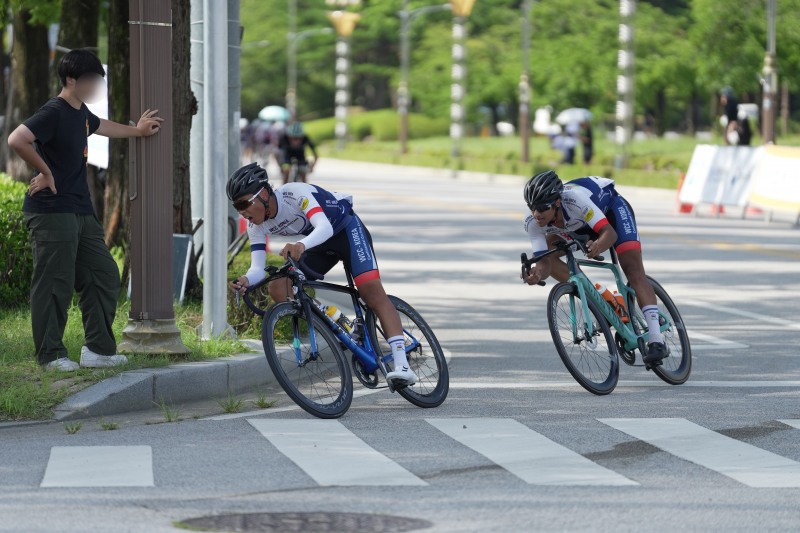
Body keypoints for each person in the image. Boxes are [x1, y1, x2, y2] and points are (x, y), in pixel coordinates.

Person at [7, 49, 163, 371]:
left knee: (103, 273)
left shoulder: (81, 113)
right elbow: (17, 139)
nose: (95, 87)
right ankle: (50, 355)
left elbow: (102, 125)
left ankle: (98, 351)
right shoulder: (54, 111)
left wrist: (137, 131)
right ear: (70, 79)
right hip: (52, 209)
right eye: (91, 80)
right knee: (55, 282)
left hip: (80, 209)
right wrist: (46, 172)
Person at [227, 162, 417, 385]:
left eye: (244, 204)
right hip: (318, 243)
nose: (242, 212)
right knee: (278, 287)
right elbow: (257, 269)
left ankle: (402, 365)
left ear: (264, 194)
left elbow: (324, 227)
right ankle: (334, 317)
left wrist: (300, 245)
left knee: (371, 292)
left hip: (345, 230)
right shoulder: (255, 227)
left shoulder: (294, 194)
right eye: (236, 207)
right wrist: (246, 280)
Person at [521, 170, 668, 365]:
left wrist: (598, 245)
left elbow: (609, 233)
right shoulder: (533, 222)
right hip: (578, 226)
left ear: (556, 202)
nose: (536, 214)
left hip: (610, 212)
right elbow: (544, 262)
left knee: (633, 270)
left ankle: (657, 340)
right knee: (548, 251)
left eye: (541, 208)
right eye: (532, 207)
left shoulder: (575, 200)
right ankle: (602, 301)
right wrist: (537, 273)